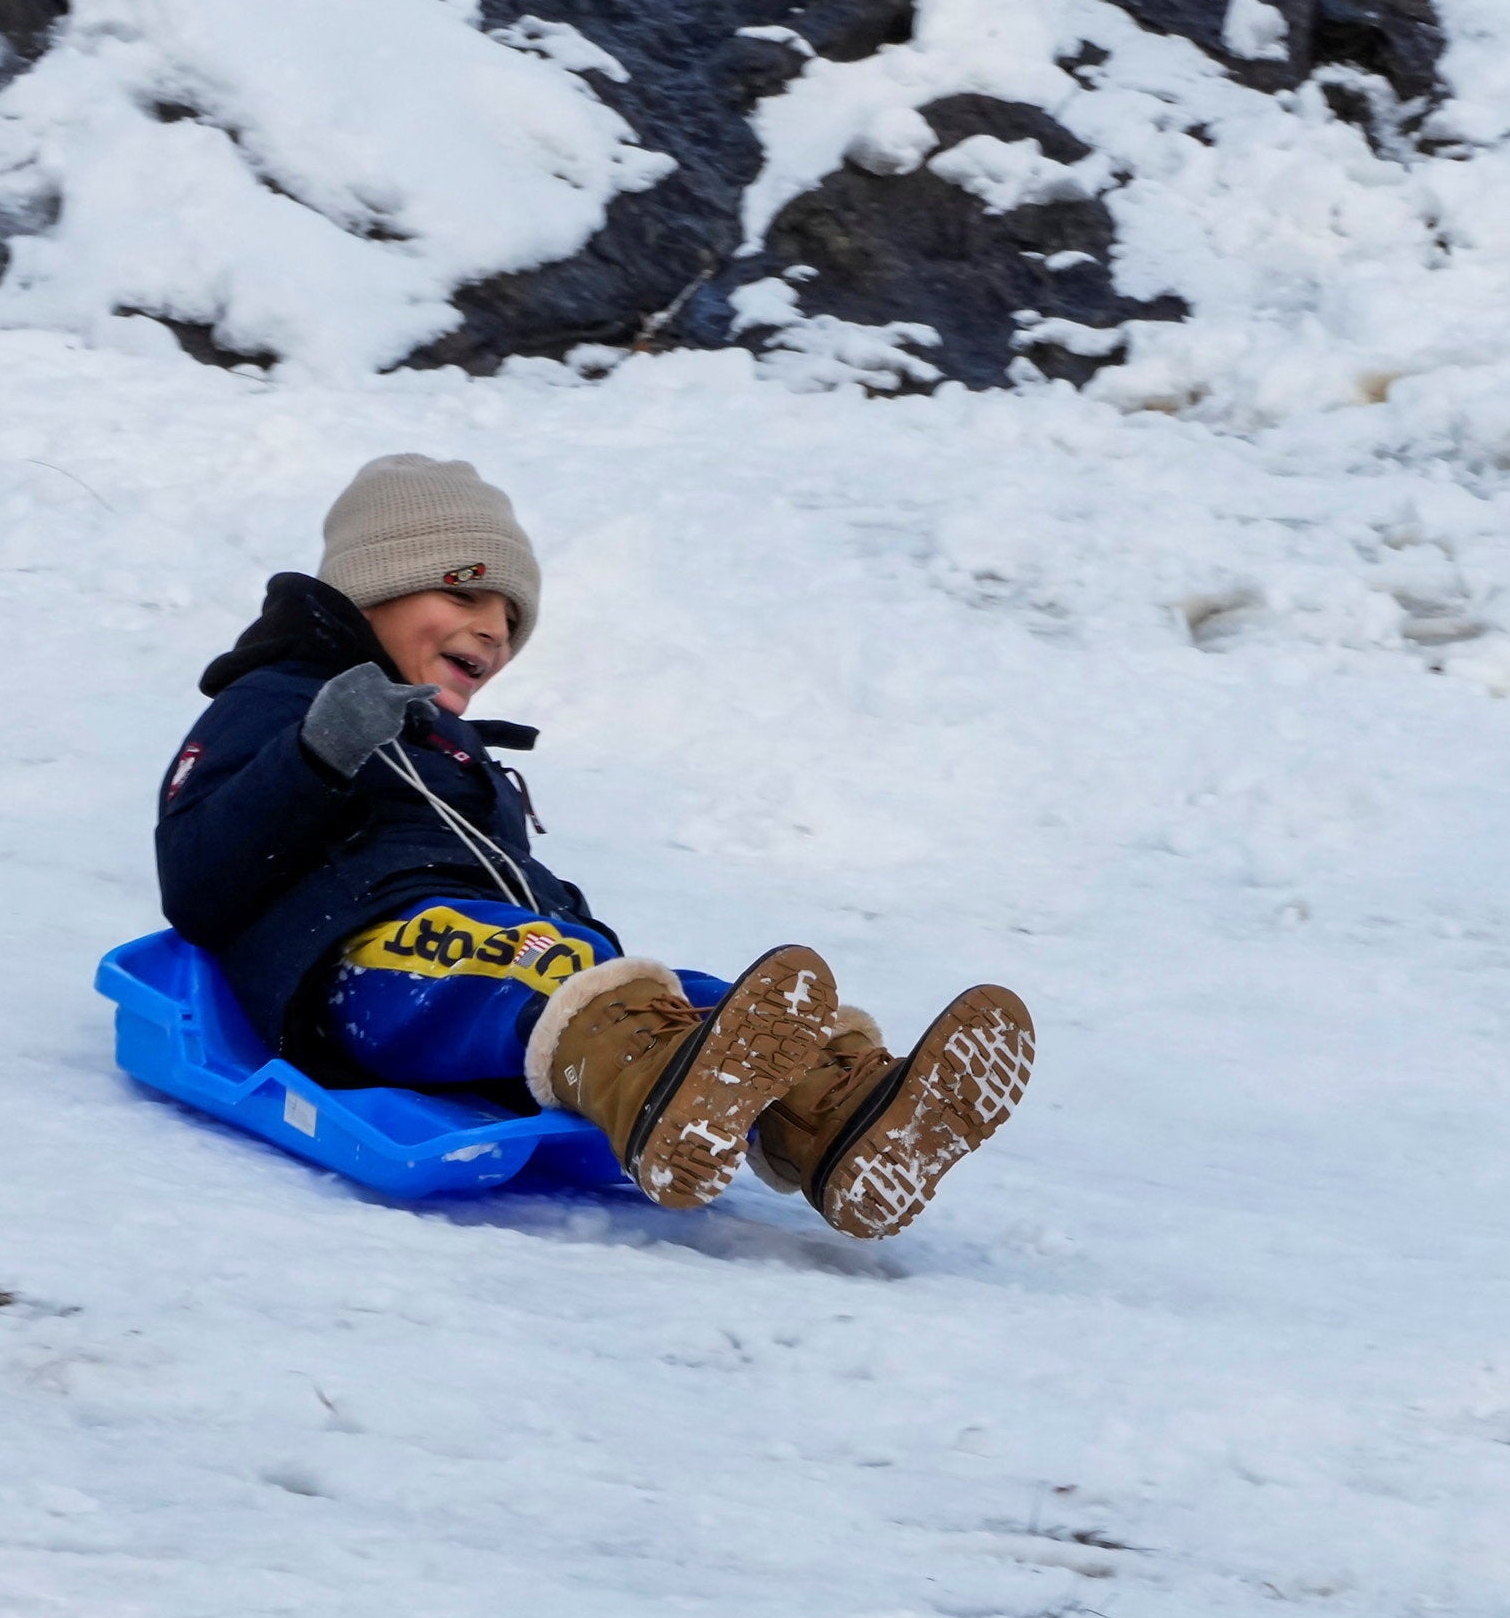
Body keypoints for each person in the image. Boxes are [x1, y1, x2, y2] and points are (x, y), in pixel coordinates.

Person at [151, 454, 1028, 1235]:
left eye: (510, 613)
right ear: (372, 585)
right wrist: (317, 750)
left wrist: (589, 933)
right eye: (463, 592)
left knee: (687, 996)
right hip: (364, 971)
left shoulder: (452, 745)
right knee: (536, 965)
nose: (494, 629)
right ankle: (653, 1083)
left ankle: (838, 1109)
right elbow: (194, 879)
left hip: (488, 967)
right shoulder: (276, 699)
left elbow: (504, 878)